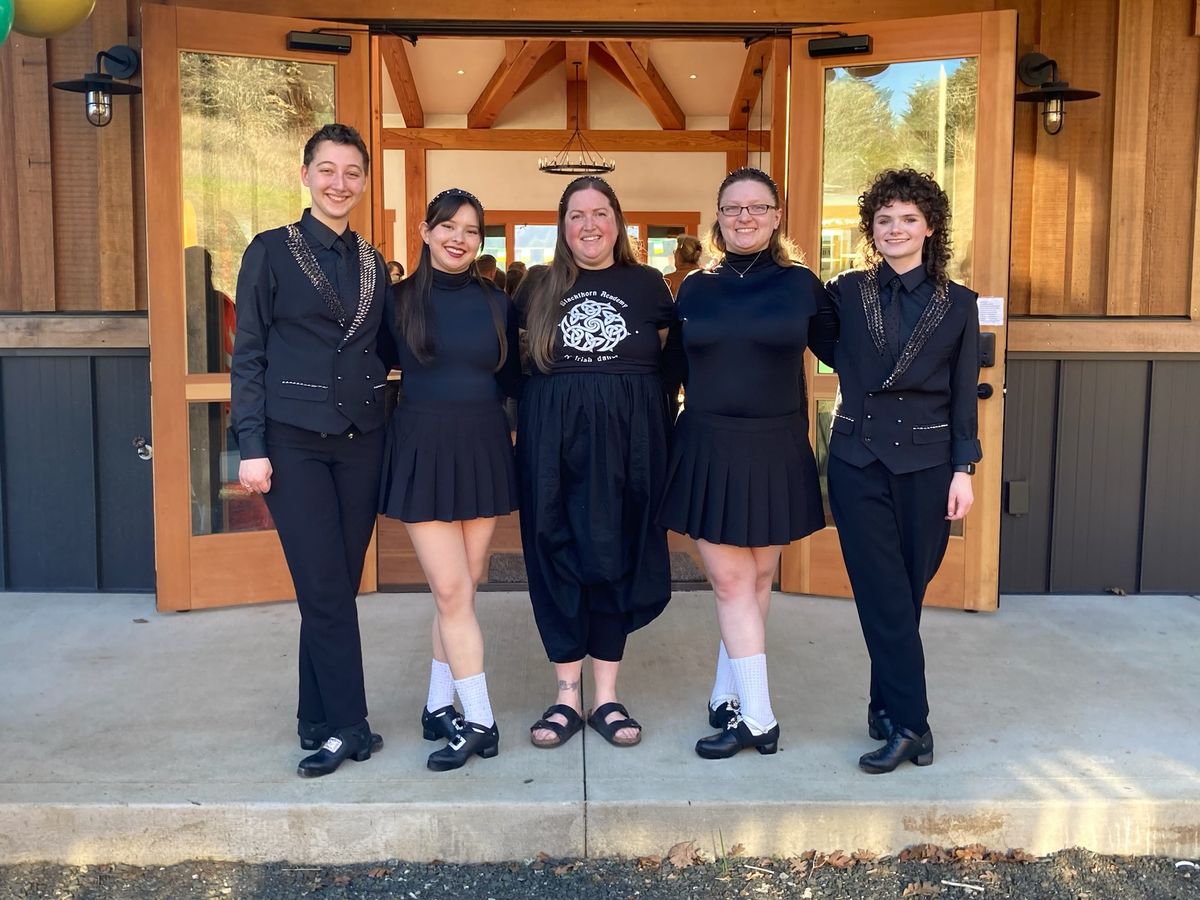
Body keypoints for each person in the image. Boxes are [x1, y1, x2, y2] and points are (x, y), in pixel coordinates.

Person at [231, 123, 393, 778]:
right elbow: (248, 357)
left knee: (333, 589)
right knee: (324, 588)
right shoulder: (269, 251)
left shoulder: (375, 264)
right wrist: (251, 445)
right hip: (291, 442)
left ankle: (313, 716)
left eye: (352, 172)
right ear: (306, 175)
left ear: (363, 181)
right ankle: (349, 727)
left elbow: (380, 348)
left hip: (361, 443)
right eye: (328, 170)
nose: (339, 183)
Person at [658, 168, 837, 759]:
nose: (745, 217)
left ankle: (727, 693)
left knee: (758, 579)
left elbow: (853, 354)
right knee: (732, 580)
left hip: (777, 444)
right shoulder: (694, 288)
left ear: (777, 216)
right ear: (718, 215)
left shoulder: (802, 286)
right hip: (709, 444)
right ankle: (758, 717)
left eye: (757, 208)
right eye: (733, 208)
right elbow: (670, 373)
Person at [825, 168, 980, 774]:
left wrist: (963, 469)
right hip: (857, 460)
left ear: (929, 227)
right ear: (871, 229)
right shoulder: (843, 292)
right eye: (884, 219)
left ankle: (884, 706)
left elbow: (964, 392)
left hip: (929, 465)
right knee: (881, 592)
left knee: (906, 593)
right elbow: (811, 342)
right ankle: (914, 726)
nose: (895, 229)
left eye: (908, 219)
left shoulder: (959, 303)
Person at [516, 176, 674, 750]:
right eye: (577, 214)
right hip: (550, 443)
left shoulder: (649, 284)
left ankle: (605, 696)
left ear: (618, 222)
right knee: (554, 551)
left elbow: (674, 366)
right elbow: (509, 367)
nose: (589, 224)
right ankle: (566, 695)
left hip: (629, 445)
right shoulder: (535, 286)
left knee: (616, 554)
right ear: (562, 227)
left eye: (600, 213)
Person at [379, 188, 521, 771]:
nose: (458, 238)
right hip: (423, 447)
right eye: (447, 227)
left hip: (483, 445)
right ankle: (481, 720)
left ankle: (440, 704)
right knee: (451, 590)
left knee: (466, 582)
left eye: (470, 230)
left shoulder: (498, 303)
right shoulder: (396, 302)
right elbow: (370, 368)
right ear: (425, 230)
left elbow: (512, 380)